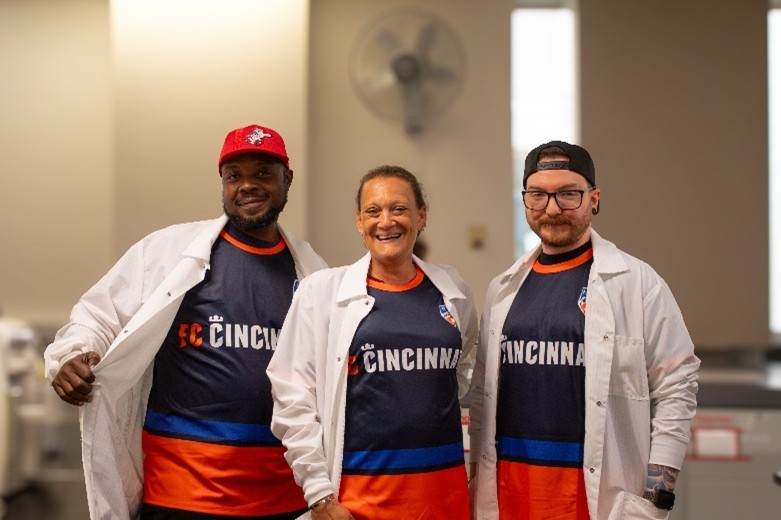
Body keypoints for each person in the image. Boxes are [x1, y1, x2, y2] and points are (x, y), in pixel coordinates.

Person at [44, 124, 327, 520]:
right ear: (223, 183)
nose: (248, 185)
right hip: (182, 495)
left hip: (284, 499)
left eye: (263, 173)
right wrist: (71, 356)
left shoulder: (314, 274)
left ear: (287, 179)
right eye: (235, 176)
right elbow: (96, 316)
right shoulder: (169, 254)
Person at [468, 141, 699, 520]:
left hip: (596, 502)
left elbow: (677, 385)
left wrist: (657, 493)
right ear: (525, 201)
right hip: (511, 497)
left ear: (594, 198)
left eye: (568, 194)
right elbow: (482, 396)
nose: (553, 208)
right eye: (538, 195)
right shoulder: (502, 290)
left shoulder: (637, 282)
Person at [267, 165, 477, 520]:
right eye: (373, 211)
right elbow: (292, 399)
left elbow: (463, 373)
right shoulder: (321, 293)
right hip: (360, 505)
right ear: (359, 222)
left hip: (445, 500)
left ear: (421, 216)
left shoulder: (454, 292)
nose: (386, 222)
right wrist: (319, 495)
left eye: (399, 209)